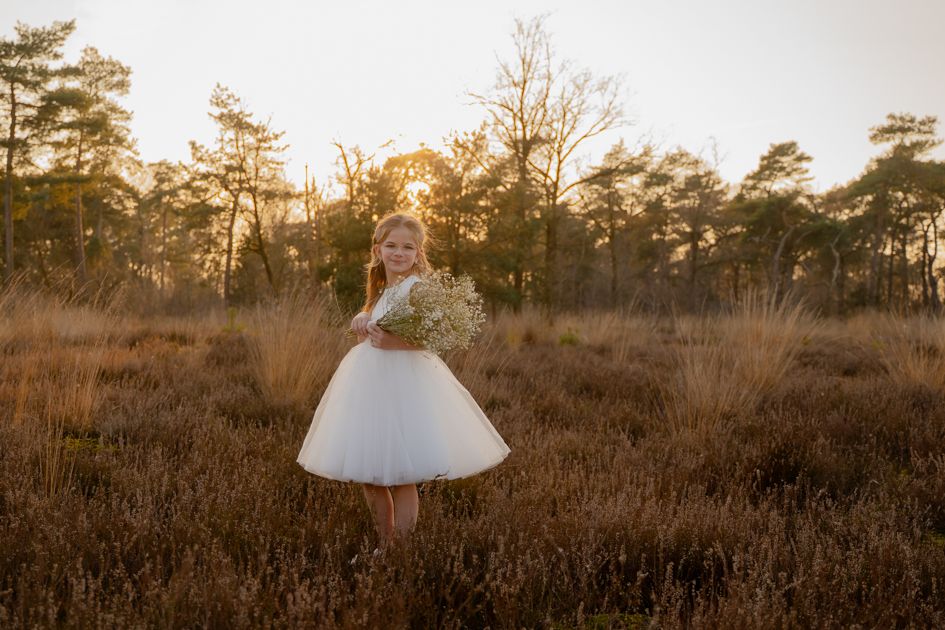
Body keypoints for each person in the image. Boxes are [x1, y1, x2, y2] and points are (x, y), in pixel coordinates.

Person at [296, 212, 511, 552]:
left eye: (408, 247)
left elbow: (437, 338)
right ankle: (385, 544)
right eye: (392, 246)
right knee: (369, 474)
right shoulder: (383, 290)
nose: (399, 253)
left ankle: (401, 550)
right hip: (370, 387)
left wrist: (394, 342)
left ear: (418, 254)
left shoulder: (417, 288)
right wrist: (363, 319)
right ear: (378, 250)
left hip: (405, 388)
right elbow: (370, 339)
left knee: (402, 475)